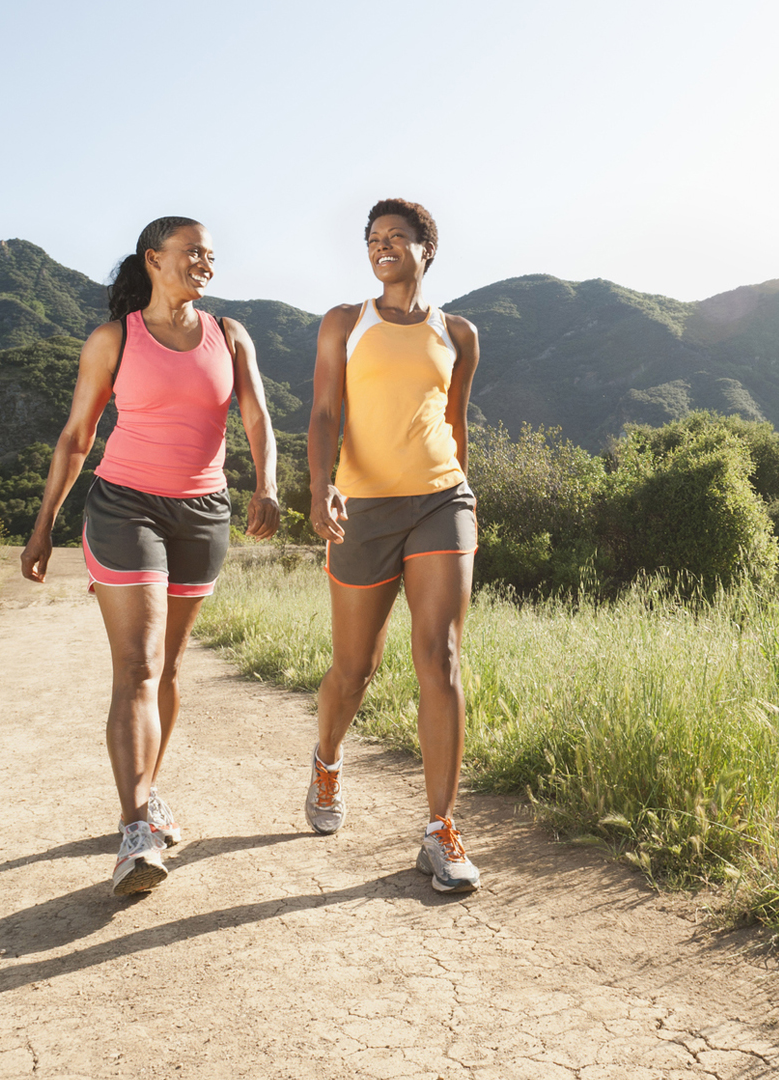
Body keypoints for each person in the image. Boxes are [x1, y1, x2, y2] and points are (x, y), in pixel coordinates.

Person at [20, 216, 280, 896]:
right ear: (153, 259)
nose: (206, 264)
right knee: (137, 664)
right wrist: (43, 523)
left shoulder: (229, 335)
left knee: (166, 668)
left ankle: (148, 790)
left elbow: (256, 416)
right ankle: (136, 827)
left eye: (212, 256)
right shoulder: (115, 339)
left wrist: (269, 485)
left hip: (202, 511)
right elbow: (78, 436)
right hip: (124, 505)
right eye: (193, 252)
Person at [305, 198, 483, 893]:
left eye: (396, 239)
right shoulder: (344, 324)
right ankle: (326, 758)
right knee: (353, 670)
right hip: (362, 508)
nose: (382, 247)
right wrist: (320, 487)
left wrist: (466, 496)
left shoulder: (459, 333)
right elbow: (323, 413)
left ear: (425, 249)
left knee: (439, 655)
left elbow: (457, 423)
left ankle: (440, 829)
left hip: (442, 499)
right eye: (373, 239)